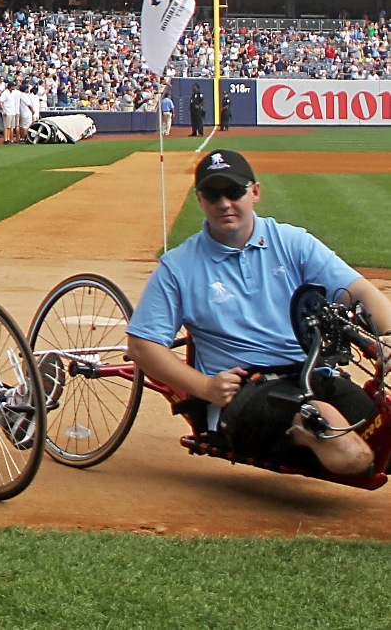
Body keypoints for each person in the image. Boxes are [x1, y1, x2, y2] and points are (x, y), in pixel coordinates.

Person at [127, 150, 391, 476]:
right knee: (353, 455)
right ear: (200, 199)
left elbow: (361, 292)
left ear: (255, 192)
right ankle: (309, 436)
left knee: (383, 431)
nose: (224, 203)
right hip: (245, 395)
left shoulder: (293, 243)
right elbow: (142, 345)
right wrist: (206, 388)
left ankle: (315, 438)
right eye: (213, 194)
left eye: (234, 191)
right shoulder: (179, 267)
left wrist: (388, 337)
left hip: (314, 375)